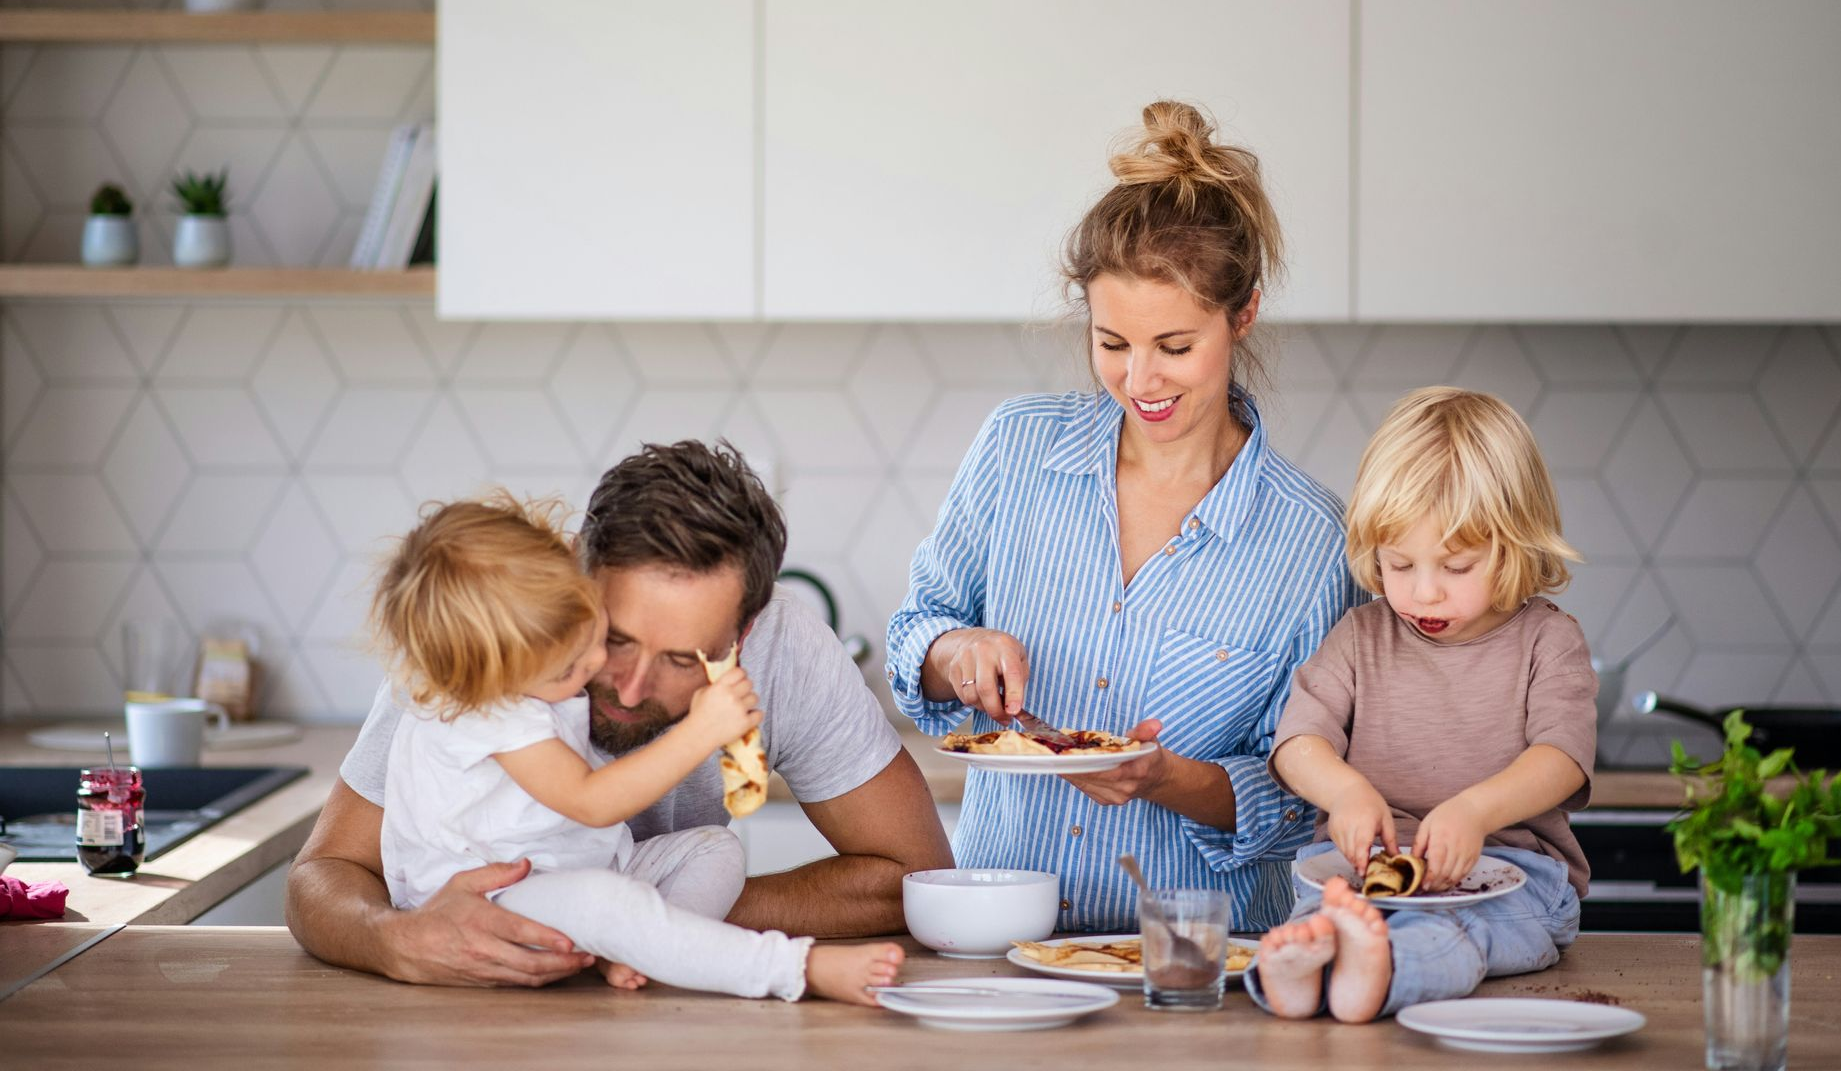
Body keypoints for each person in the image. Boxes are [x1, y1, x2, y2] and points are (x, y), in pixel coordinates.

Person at [886, 101, 1367, 933]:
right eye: (1112, 342)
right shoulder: (1018, 449)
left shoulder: (1312, 542)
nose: (1140, 378)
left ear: (1242, 314)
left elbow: (1302, 801)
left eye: (1175, 346)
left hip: (1195, 970)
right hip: (1005, 945)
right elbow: (915, 635)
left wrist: (1164, 778)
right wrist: (953, 651)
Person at [288, 442, 953, 988]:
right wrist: (393, 941)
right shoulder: (493, 638)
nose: (631, 689)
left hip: (637, 977)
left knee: (716, 850)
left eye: (682, 660)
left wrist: (651, 929)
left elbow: (918, 881)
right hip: (480, 1007)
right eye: (616, 638)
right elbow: (318, 880)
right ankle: (783, 968)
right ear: (576, 578)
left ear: (744, 634)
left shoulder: (789, 648)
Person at [1251, 386, 1597, 1023]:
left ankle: (1380, 973)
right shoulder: (1361, 635)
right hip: (1365, 876)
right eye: (1400, 564)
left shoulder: (1548, 640)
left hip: (1514, 878)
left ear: (1516, 545)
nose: (1424, 592)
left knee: (1458, 934)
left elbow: (1564, 758)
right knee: (1320, 917)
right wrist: (1347, 794)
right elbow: (1298, 743)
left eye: (1456, 566)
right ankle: (1306, 973)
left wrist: (1475, 810)